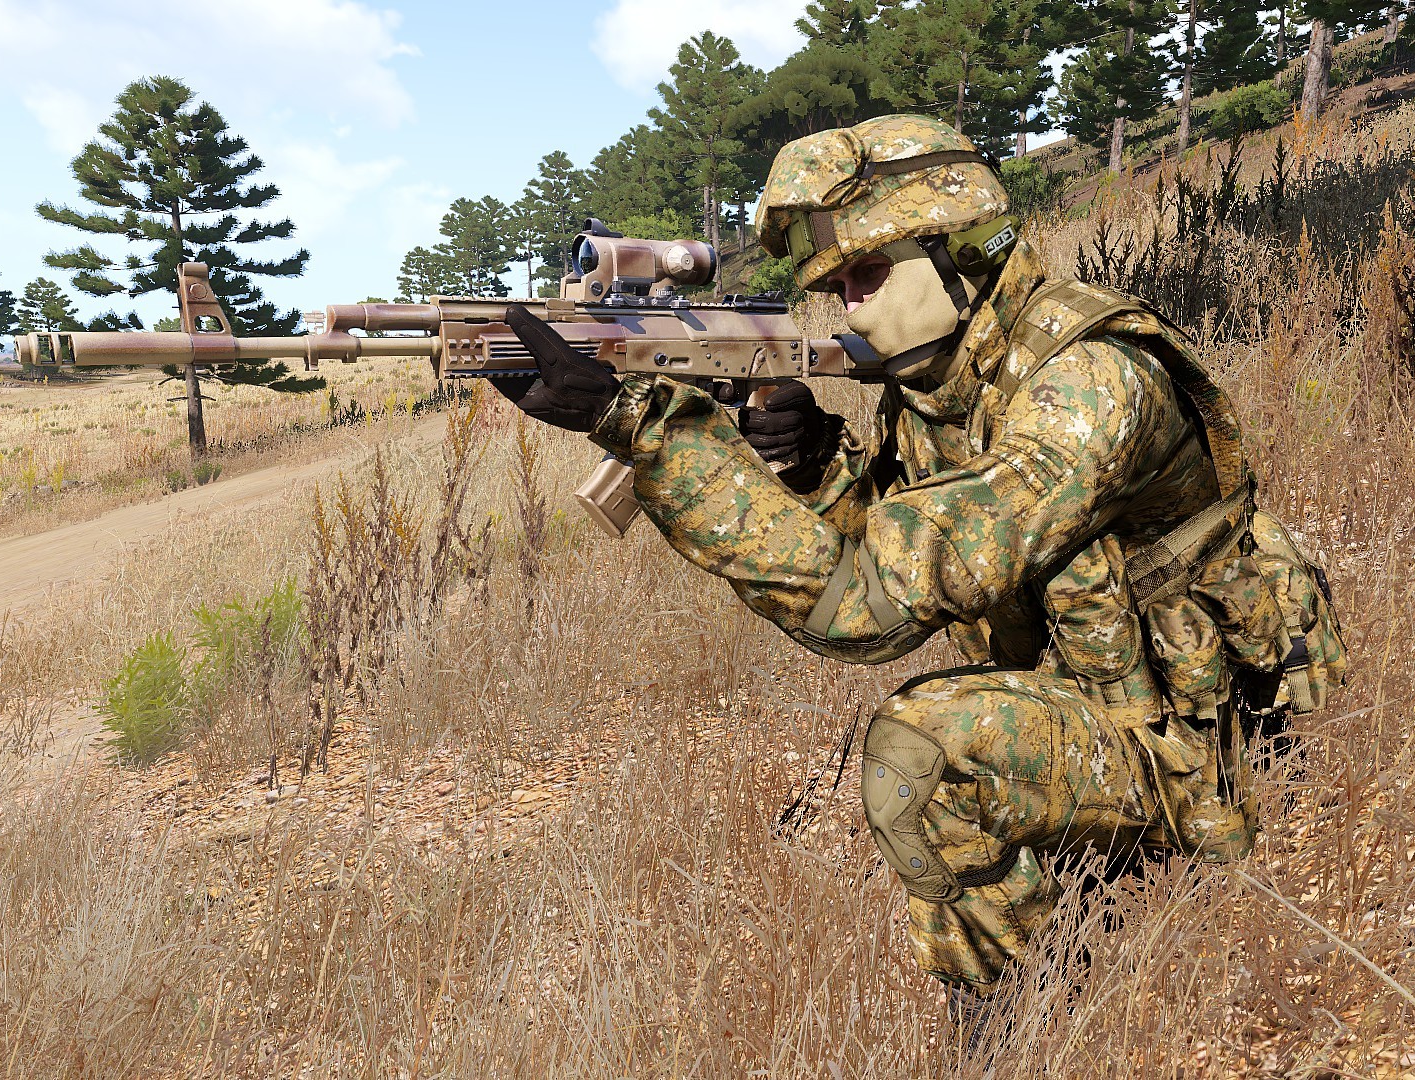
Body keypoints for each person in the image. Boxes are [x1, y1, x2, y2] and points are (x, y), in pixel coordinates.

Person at [497, 115, 1346, 1010]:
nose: (850, 307)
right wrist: (816, 462)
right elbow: (887, 535)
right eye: (837, 286)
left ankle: (1026, 1021)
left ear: (961, 250)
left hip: (1214, 746)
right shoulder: (943, 388)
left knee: (920, 749)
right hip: (1102, 706)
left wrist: (652, 433)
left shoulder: (1091, 384)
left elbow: (867, 609)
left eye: (867, 274)